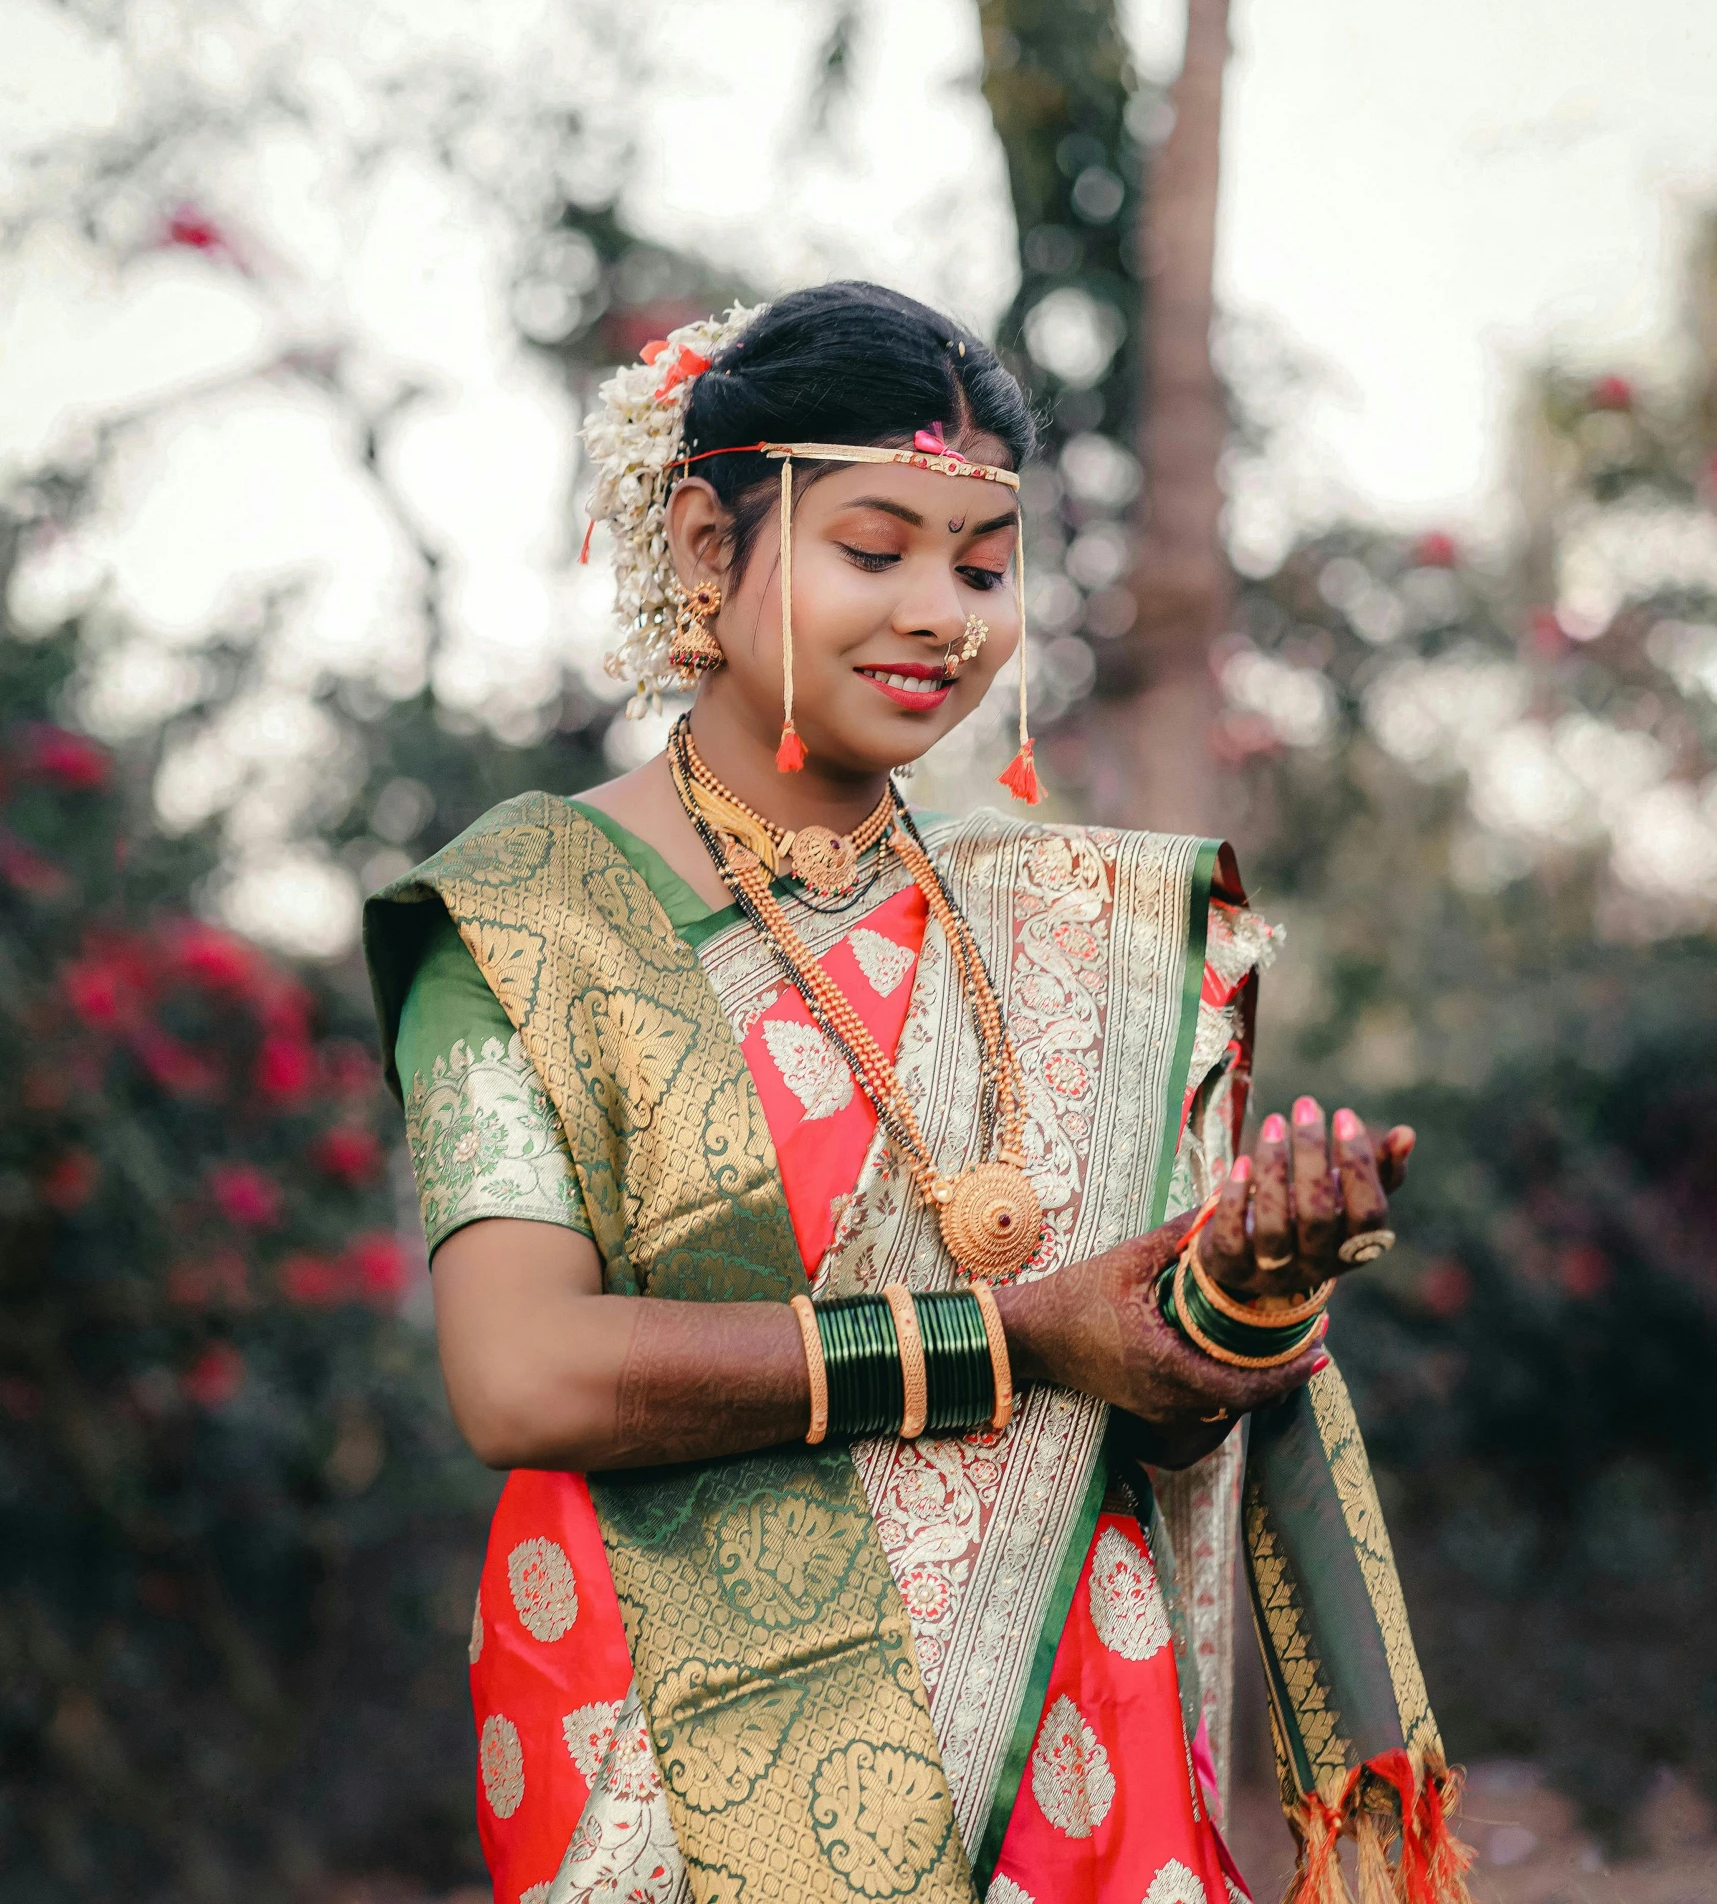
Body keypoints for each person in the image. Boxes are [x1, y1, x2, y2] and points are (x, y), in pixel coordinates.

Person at [364, 283, 1470, 1904]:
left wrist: (1236, 1294)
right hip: (678, 1745)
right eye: (872, 549)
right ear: (703, 545)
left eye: (981, 562)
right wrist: (1014, 1334)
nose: (940, 612)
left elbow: (1142, 1404)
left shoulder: (1072, 927)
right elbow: (519, 1373)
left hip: (1062, 1751)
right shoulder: (525, 920)